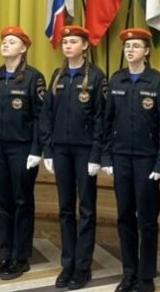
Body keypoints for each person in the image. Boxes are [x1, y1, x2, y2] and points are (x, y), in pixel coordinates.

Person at [101, 28, 160, 292]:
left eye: (136, 46)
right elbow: (107, 122)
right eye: (127, 46)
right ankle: (129, 272)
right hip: (121, 158)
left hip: (147, 160)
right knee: (124, 216)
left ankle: (146, 276)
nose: (130, 50)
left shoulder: (157, 81)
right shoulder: (117, 80)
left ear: (146, 51)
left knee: (147, 219)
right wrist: (106, 156)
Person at [39, 25, 107, 289]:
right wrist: (48, 150)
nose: (67, 45)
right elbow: (46, 115)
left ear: (85, 46)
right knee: (65, 209)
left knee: (86, 209)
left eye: (73, 41)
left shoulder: (96, 77)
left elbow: (101, 118)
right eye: (65, 41)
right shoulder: (58, 75)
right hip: (61, 151)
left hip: (85, 151)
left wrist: (96, 153)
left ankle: (82, 267)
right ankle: (67, 264)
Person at [0, 26, 46, 280]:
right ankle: (4, 255)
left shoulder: (33, 77)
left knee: (21, 202)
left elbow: (41, 118)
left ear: (24, 48)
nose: (5, 44)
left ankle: (21, 257)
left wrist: (37, 149)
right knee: (2, 202)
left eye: (12, 41)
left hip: (22, 148)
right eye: (4, 41)